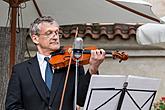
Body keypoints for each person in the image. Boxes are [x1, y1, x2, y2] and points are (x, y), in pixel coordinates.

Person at [5, 16, 105, 110]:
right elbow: (12, 106)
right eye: (49, 33)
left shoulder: (73, 63)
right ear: (35, 38)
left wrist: (93, 69)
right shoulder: (20, 70)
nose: (55, 37)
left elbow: (82, 100)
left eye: (57, 33)